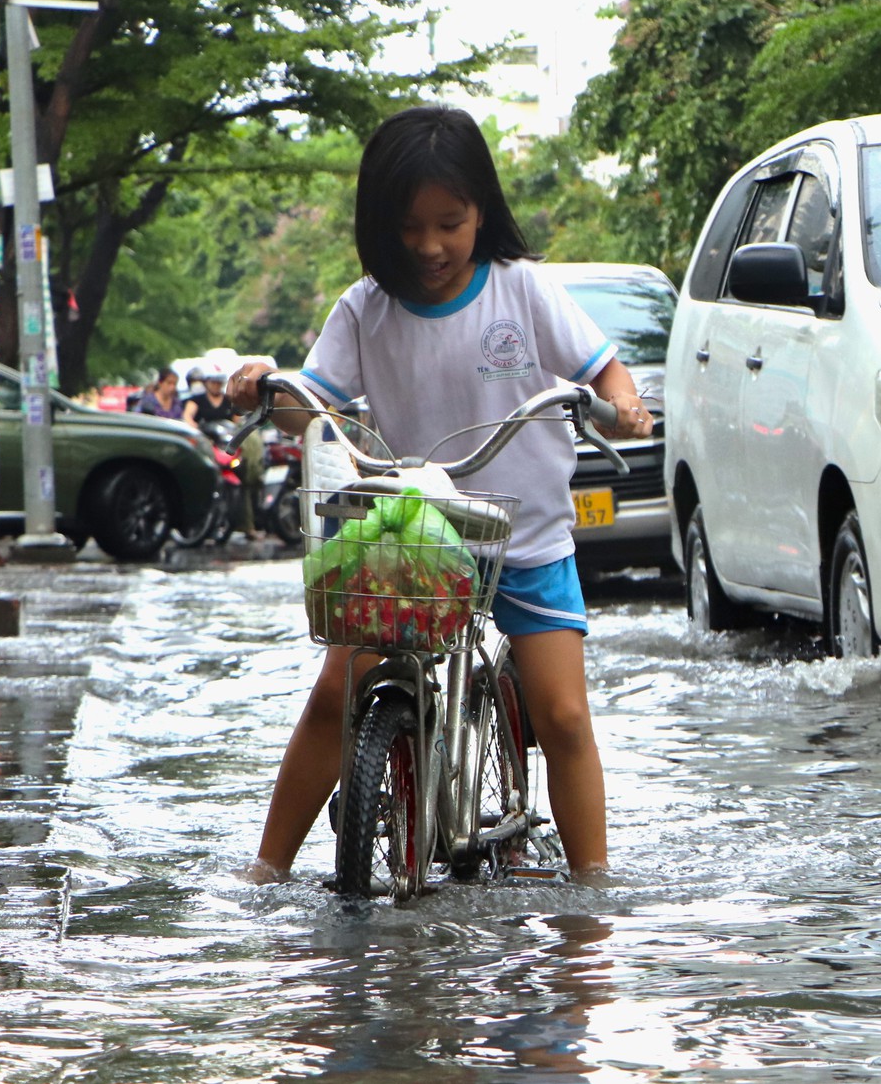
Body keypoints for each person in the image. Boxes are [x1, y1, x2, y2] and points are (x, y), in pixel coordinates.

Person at [229, 105, 650, 883]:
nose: (428, 245)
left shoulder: (522, 290)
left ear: (480, 212)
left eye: (449, 223)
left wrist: (621, 403)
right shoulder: (364, 309)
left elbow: (603, 370)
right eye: (409, 227)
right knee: (334, 694)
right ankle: (264, 871)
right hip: (411, 539)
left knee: (562, 715)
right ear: (379, 226)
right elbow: (309, 402)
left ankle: (593, 896)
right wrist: (268, 383)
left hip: (523, 540)